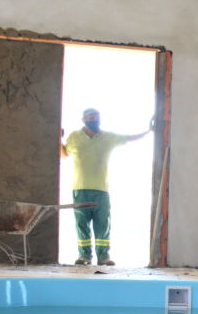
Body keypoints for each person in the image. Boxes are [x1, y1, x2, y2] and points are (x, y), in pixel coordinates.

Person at [60, 108, 154, 266]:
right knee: (81, 224)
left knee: (102, 224)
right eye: (90, 117)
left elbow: (129, 138)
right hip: (80, 190)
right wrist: (58, 139)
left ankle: (103, 257)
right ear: (83, 120)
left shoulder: (108, 137)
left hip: (101, 191)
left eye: (96, 117)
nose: (94, 120)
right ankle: (84, 257)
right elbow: (63, 154)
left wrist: (148, 131)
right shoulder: (75, 136)